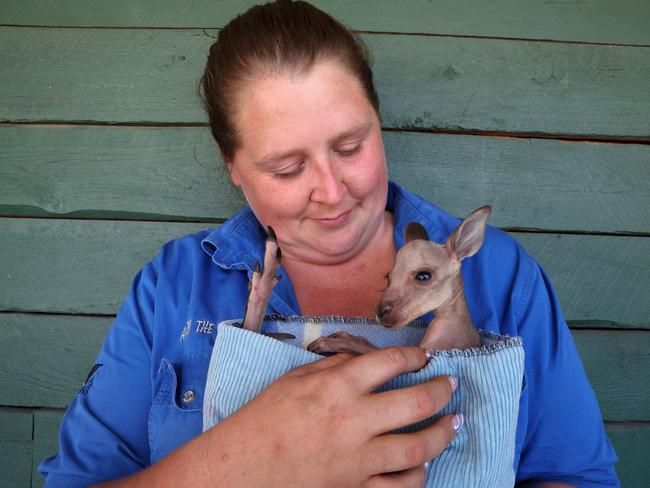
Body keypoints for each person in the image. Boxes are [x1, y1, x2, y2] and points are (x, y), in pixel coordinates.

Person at [39, 1, 619, 486]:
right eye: (287, 168)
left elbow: (575, 474)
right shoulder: (172, 287)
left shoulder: (503, 277)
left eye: (349, 146)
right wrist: (236, 463)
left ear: (378, 120)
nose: (332, 191)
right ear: (233, 167)